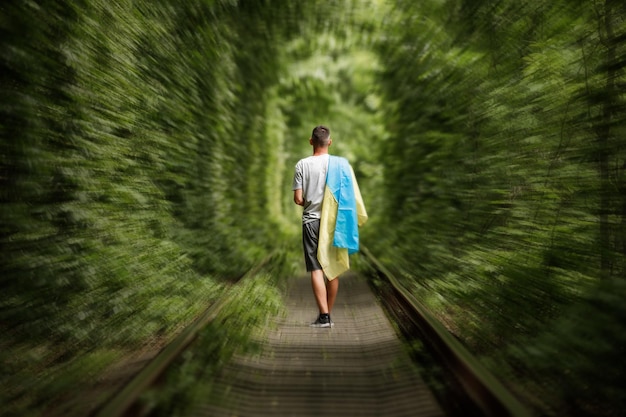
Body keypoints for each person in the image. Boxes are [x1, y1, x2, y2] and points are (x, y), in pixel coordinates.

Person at [292, 125, 367, 328]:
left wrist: (310, 199)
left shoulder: (301, 165)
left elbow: (298, 199)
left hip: (311, 222)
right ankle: (326, 315)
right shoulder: (342, 166)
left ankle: (324, 316)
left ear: (311, 141)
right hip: (336, 224)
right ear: (330, 142)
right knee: (332, 270)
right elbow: (350, 197)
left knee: (316, 268)